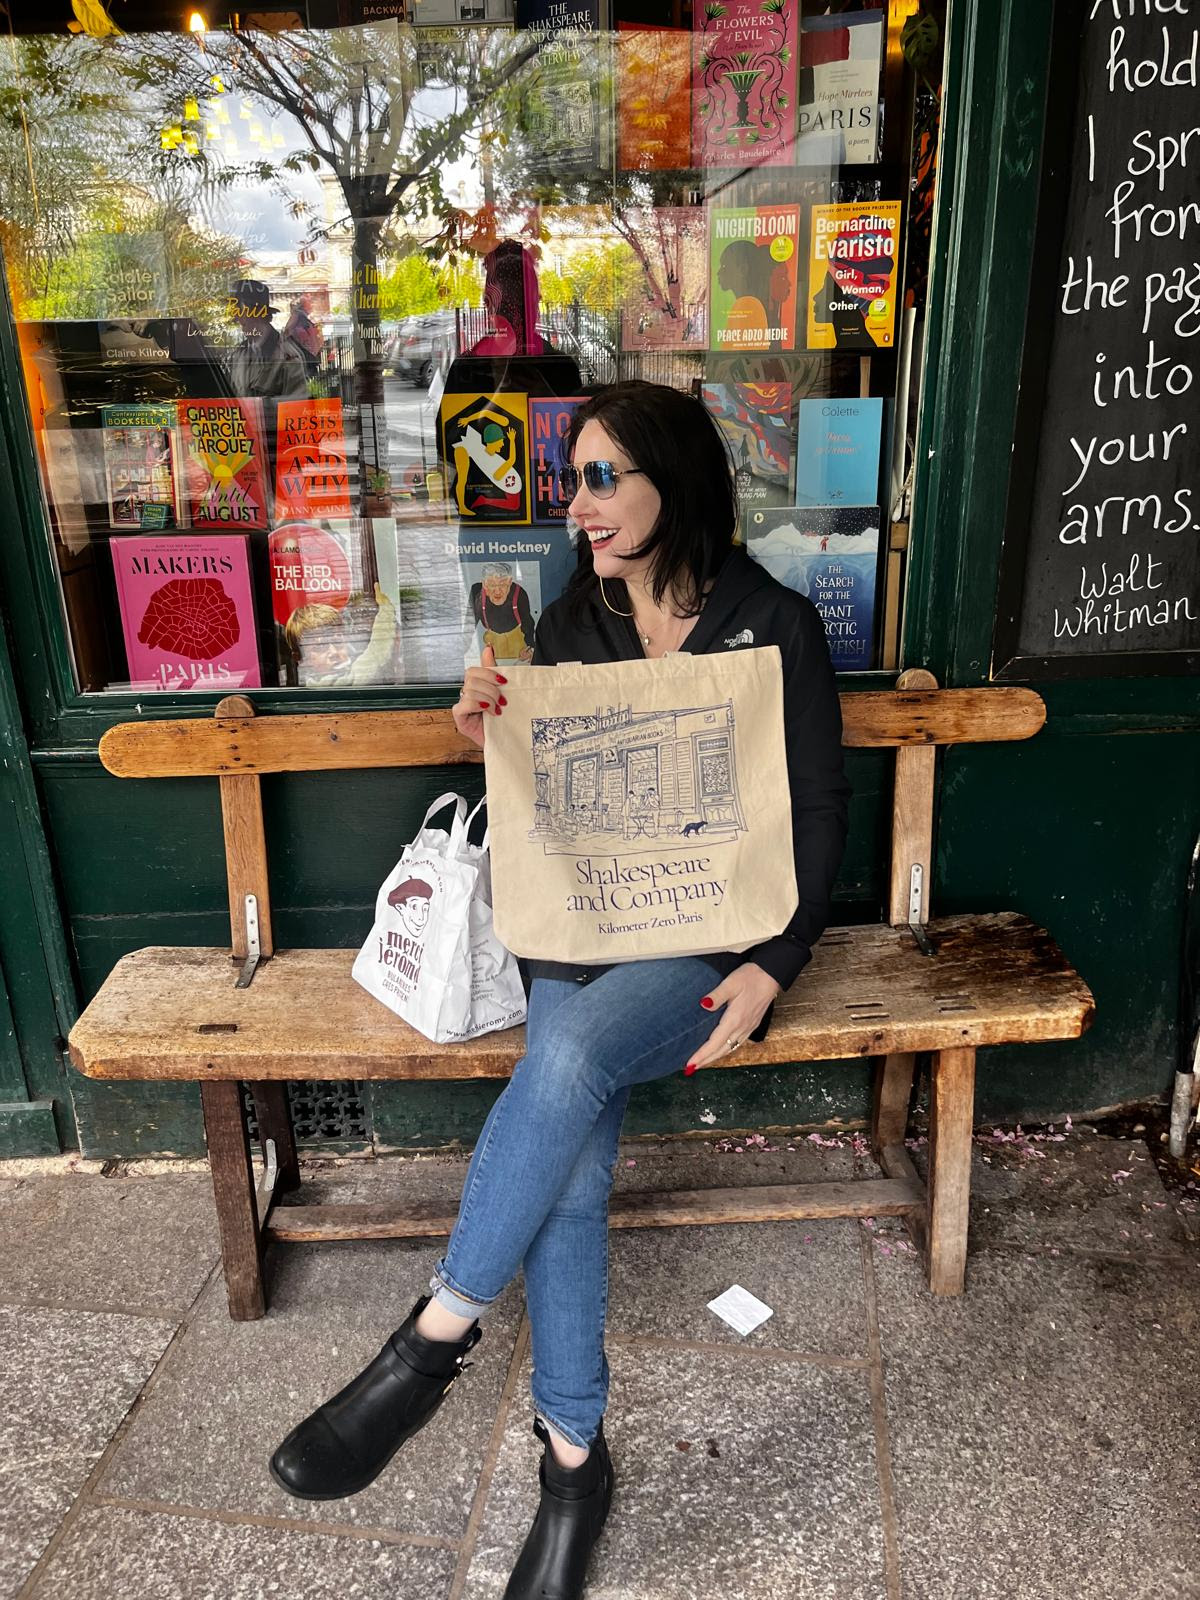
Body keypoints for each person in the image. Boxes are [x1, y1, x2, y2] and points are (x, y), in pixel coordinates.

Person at [268, 381, 851, 1600]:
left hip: (705, 942)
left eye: (602, 478)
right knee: (572, 1131)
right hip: (578, 935)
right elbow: (551, 813)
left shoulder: (773, 624)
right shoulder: (571, 624)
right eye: (572, 479)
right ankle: (572, 1463)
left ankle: (438, 1348)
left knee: (570, 1065)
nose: (576, 504)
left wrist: (775, 962)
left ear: (670, 484)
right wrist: (488, 722)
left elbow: (818, 813)